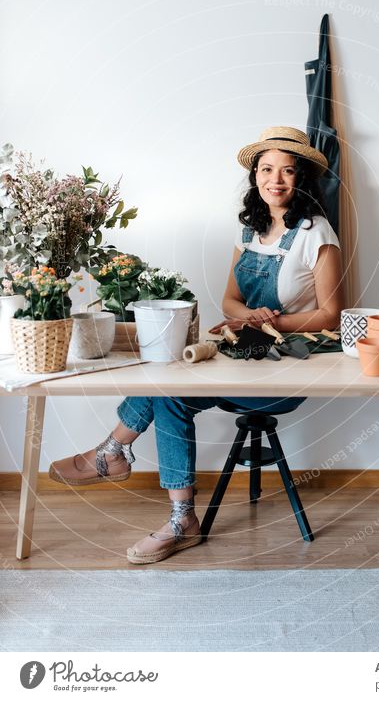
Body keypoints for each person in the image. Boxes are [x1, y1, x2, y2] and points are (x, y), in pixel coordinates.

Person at [49, 126, 344, 564]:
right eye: (266, 170)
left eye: (286, 171)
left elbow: (331, 314)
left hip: (289, 366)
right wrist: (247, 317)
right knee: (168, 387)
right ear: (255, 177)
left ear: (301, 179)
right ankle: (178, 517)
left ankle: (114, 455)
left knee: (169, 392)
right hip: (243, 354)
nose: (275, 180)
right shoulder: (249, 231)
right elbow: (229, 300)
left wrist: (274, 320)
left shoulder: (316, 233)